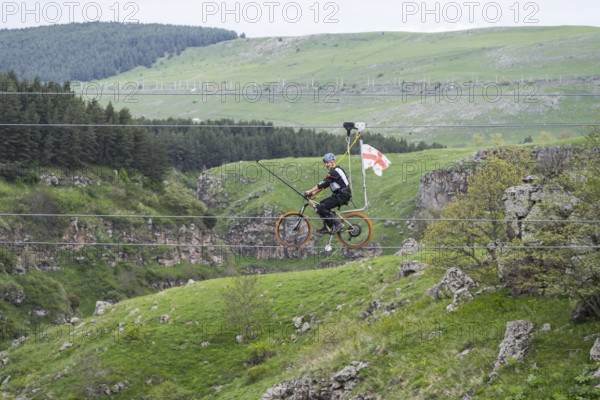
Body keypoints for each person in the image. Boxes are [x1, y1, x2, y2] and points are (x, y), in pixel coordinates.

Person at [304, 153, 352, 234]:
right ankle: (328, 225)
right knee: (321, 205)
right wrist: (313, 193)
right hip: (340, 195)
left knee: (320, 207)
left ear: (333, 161)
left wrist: (309, 190)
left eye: (328, 162)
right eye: (325, 163)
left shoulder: (335, 171)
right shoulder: (333, 172)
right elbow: (325, 185)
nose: (326, 165)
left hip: (342, 195)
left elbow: (323, 183)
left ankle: (337, 224)